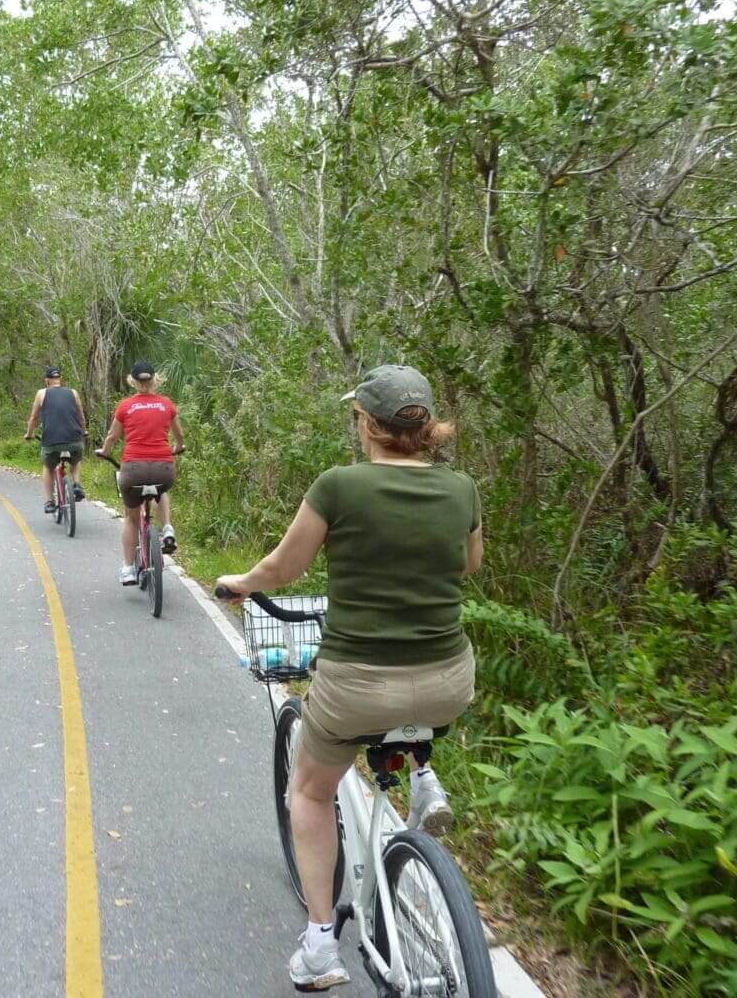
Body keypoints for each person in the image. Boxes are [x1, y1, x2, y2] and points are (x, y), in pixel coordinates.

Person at [215, 365, 483, 992]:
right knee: (413, 709)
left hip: (358, 686)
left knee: (310, 792)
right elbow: (469, 564)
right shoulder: (462, 488)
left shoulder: (339, 487)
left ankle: (318, 946)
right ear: (426, 428)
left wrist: (241, 583)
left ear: (367, 423)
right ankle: (423, 778)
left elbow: (284, 567)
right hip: (449, 681)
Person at [95, 360, 184, 585]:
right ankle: (167, 527)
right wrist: (178, 447)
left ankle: (128, 569)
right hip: (163, 468)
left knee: (131, 518)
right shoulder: (167, 404)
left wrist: (104, 451)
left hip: (133, 469)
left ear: (132, 381)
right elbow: (179, 436)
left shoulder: (126, 406)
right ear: (155, 380)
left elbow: (112, 436)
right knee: (161, 489)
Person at [24, 366, 87, 512]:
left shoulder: (41, 393)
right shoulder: (73, 392)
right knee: (76, 460)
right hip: (74, 439)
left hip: (51, 441)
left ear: (47, 381)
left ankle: (50, 502)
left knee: (48, 466)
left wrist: (29, 434)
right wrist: (84, 431)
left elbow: (34, 418)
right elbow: (81, 416)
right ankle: (77, 484)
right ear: (60, 379)